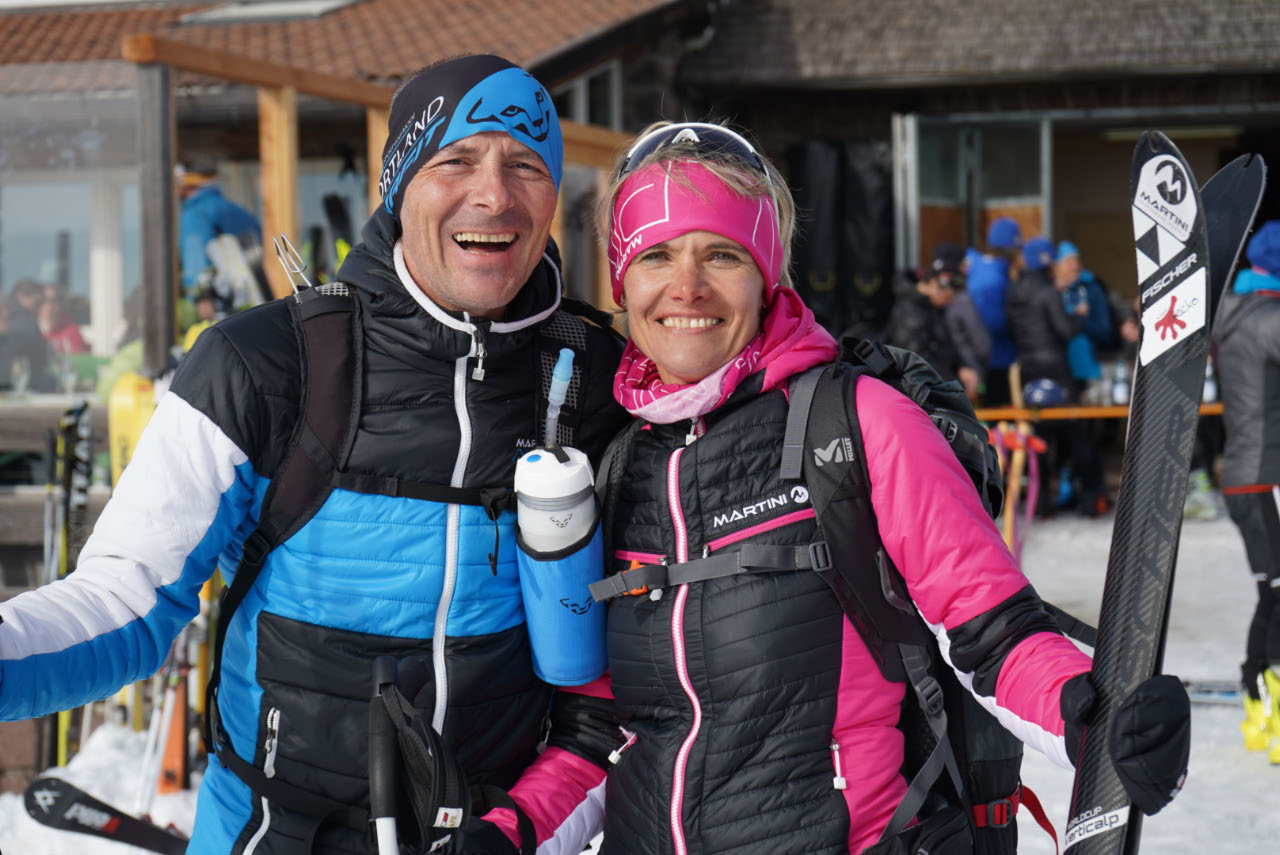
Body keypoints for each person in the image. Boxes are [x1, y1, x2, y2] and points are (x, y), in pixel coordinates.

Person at [481, 121, 1189, 854]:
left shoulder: (859, 423)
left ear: (766, 276)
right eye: (657, 255)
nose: (686, 286)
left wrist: (1092, 716)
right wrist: (504, 834)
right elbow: (599, 737)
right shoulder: (619, 463)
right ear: (623, 282)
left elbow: (993, 633)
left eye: (722, 254)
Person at [0, 55, 628, 855]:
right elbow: (125, 599)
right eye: (457, 160)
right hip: (268, 834)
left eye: (526, 166)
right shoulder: (261, 364)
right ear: (399, 184)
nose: (494, 194)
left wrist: (512, 838)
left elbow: (614, 702)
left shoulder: (600, 384)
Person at [1213, 219, 1280, 763]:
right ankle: (1272, 713)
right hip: (1266, 475)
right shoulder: (1272, 318)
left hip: (1245, 474)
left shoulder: (1234, 315)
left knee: (1272, 593)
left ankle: (1259, 707)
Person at [1007, 236, 1107, 516]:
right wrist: (1079, 316)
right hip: (1056, 370)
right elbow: (1064, 331)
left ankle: (1041, 504)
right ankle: (1090, 499)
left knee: (1038, 438)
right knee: (1077, 434)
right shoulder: (1046, 292)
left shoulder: (1013, 292)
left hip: (1029, 371)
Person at [881, 243, 975, 396]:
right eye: (950, 291)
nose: (952, 298)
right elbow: (917, 365)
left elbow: (945, 347)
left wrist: (962, 367)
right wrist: (956, 385)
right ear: (934, 283)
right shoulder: (911, 312)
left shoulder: (933, 308)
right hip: (916, 397)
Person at [177, 158, 262, 296]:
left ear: (185, 181)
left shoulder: (195, 215)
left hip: (222, 300)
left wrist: (199, 297)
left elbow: (197, 272)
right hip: (255, 297)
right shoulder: (238, 212)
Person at [966, 217, 1021, 403]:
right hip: (996, 360)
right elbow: (994, 323)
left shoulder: (974, 266)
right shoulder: (995, 278)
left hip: (974, 360)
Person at [2, 279, 55, 392]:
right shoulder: (24, 319)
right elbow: (41, 358)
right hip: (22, 386)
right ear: (20, 296)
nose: (40, 307)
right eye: (38, 303)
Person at [37, 284, 90, 355]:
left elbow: (79, 358)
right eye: (43, 300)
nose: (49, 305)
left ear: (61, 303)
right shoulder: (29, 327)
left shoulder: (70, 330)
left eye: (54, 300)